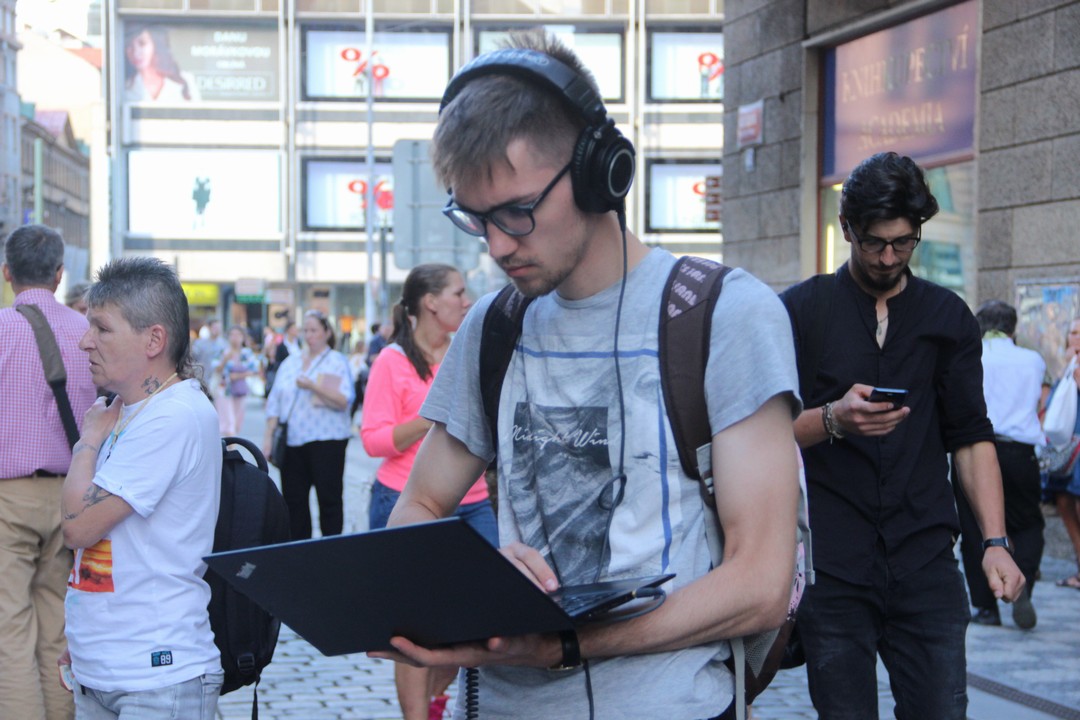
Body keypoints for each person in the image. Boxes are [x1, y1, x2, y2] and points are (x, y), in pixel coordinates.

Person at [369, 34, 802, 720]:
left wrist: (563, 646)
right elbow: (417, 506)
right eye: (477, 219)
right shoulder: (492, 327)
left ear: (602, 170)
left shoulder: (724, 315)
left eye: (517, 211)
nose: (498, 245)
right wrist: (471, 576)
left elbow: (761, 584)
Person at [779, 151, 1024, 720]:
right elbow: (760, 435)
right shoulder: (800, 311)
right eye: (874, 243)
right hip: (832, 566)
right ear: (846, 228)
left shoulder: (947, 318)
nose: (888, 257)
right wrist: (832, 419)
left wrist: (995, 541)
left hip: (925, 561)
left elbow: (971, 437)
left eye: (903, 242)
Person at [60, 256, 223, 718]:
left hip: (156, 676)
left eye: (102, 328)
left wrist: (87, 442)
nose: (85, 341)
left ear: (154, 339)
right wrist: (85, 634)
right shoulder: (127, 409)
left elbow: (78, 527)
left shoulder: (172, 415)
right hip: (109, 667)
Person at [360, 263, 496, 720]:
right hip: (407, 501)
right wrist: (436, 416)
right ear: (431, 302)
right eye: (458, 292)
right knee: (413, 630)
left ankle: (437, 702)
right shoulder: (392, 360)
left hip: (474, 505)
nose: (467, 300)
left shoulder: (464, 352)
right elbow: (374, 440)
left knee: (480, 622)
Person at [0, 225, 95, 720]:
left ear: (7, 273)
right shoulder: (88, 334)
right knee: (58, 628)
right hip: (71, 497)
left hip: (7, 497)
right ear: (60, 274)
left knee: (9, 631)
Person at [952, 300, 1046, 629]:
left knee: (973, 528)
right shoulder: (1033, 359)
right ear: (1013, 327)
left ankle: (986, 607)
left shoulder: (972, 355)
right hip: (1020, 452)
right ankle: (1023, 582)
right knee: (1028, 523)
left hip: (975, 448)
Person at [263, 311, 354, 540]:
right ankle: (299, 550)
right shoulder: (291, 362)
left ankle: (331, 548)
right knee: (294, 501)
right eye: (306, 330)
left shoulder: (336, 361)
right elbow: (274, 403)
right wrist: (268, 438)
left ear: (327, 333)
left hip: (328, 440)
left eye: (314, 330)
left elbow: (345, 400)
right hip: (293, 441)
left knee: (329, 499)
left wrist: (313, 386)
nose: (309, 335)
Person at [1045, 315, 1080, 590]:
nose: (1075, 337)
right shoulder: (1069, 365)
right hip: (1067, 446)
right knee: (1063, 499)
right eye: (1073, 332)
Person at [123, 25, 199, 103]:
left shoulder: (186, 80)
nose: (136, 53)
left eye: (142, 44)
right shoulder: (122, 85)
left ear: (156, 45)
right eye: (129, 46)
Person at [214, 325, 258, 436]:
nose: (235, 338)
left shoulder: (246, 353)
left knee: (237, 423)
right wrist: (225, 359)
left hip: (240, 389)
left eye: (238, 335)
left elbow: (254, 370)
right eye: (232, 335)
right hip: (225, 390)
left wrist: (238, 376)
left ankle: (230, 443)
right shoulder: (223, 351)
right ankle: (231, 445)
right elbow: (216, 369)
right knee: (228, 422)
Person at [191, 318, 226, 388]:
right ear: (209, 328)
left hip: (218, 381)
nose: (217, 330)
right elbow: (193, 358)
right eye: (215, 327)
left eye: (219, 328)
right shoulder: (199, 343)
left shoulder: (224, 344)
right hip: (202, 378)